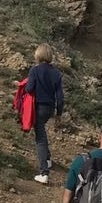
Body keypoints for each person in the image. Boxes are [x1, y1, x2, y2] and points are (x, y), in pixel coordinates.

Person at [24, 45, 66, 185]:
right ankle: (47, 160)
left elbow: (29, 89)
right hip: (50, 109)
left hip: (38, 107)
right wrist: (59, 114)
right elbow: (60, 97)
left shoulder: (35, 70)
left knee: (40, 138)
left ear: (38, 55)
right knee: (42, 132)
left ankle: (44, 173)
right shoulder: (56, 73)